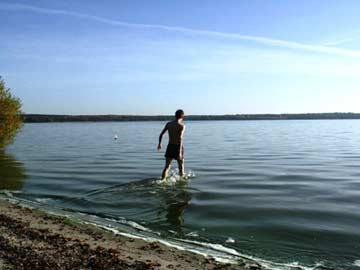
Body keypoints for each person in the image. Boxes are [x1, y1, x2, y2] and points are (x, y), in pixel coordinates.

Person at [157, 109, 186, 179]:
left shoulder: (169, 124)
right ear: (182, 116)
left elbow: (161, 134)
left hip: (170, 146)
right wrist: (179, 152)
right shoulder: (181, 126)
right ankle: (182, 181)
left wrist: (159, 144)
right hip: (177, 147)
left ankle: (162, 180)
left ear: (175, 116)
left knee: (167, 166)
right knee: (181, 166)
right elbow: (180, 138)